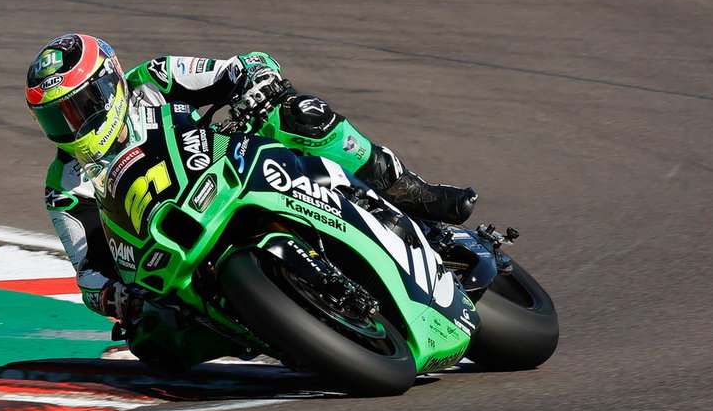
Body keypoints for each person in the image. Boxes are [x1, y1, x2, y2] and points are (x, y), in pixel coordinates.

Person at [25, 33, 476, 362]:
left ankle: (410, 190)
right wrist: (112, 297)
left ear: (110, 84)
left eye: (77, 108)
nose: (71, 127)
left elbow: (239, 67)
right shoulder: (63, 185)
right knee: (151, 341)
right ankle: (284, 329)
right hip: (175, 253)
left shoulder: (155, 80)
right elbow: (87, 268)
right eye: (55, 119)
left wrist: (259, 82)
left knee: (300, 114)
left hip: (237, 168)